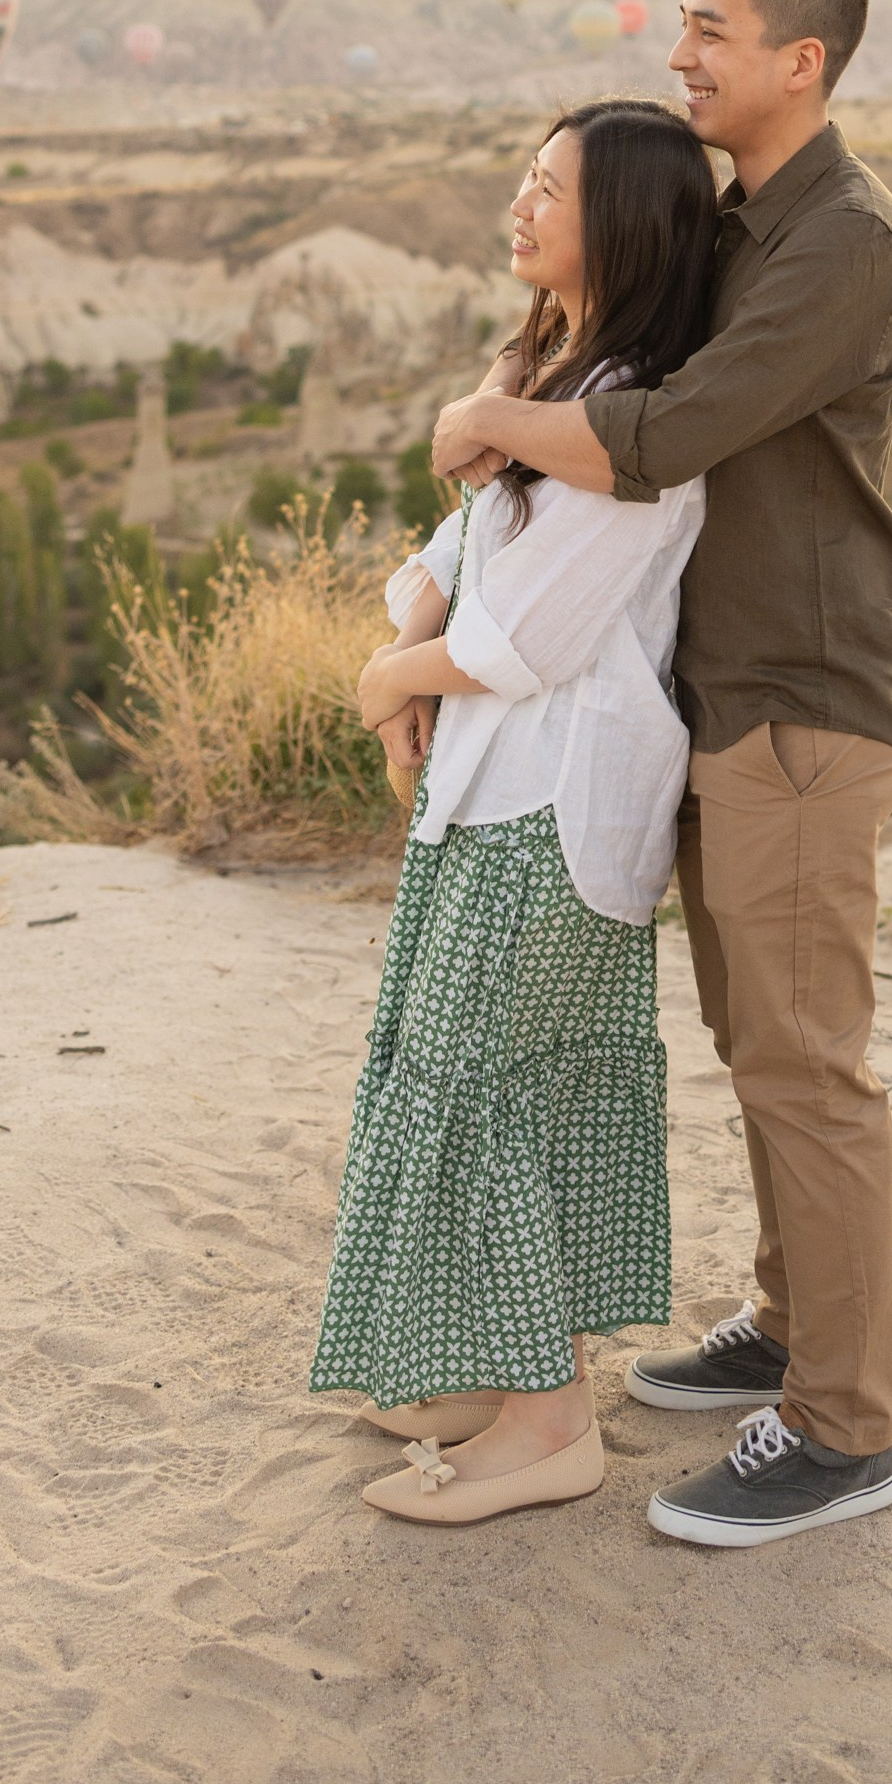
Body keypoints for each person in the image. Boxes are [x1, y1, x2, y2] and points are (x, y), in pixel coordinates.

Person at [432, 0, 892, 1547]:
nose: (680, 50)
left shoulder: (842, 238)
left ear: (803, 59)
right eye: (681, 24)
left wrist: (495, 421)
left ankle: (843, 1431)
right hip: (715, 702)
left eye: (711, 29)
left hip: (798, 699)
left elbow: (680, 428)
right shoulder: (738, 223)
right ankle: (787, 1326)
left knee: (804, 1067)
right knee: (754, 1049)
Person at [311, 97, 720, 1525]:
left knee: (500, 1097)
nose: (520, 203)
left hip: (552, 800)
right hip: (495, 795)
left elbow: (525, 641)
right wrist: (420, 611)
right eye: (525, 179)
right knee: (470, 1075)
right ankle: (494, 1377)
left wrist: (388, 677)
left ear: (620, 224)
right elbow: (458, 554)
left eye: (548, 188)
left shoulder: (631, 418)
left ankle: (549, 1427)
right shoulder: (563, 373)